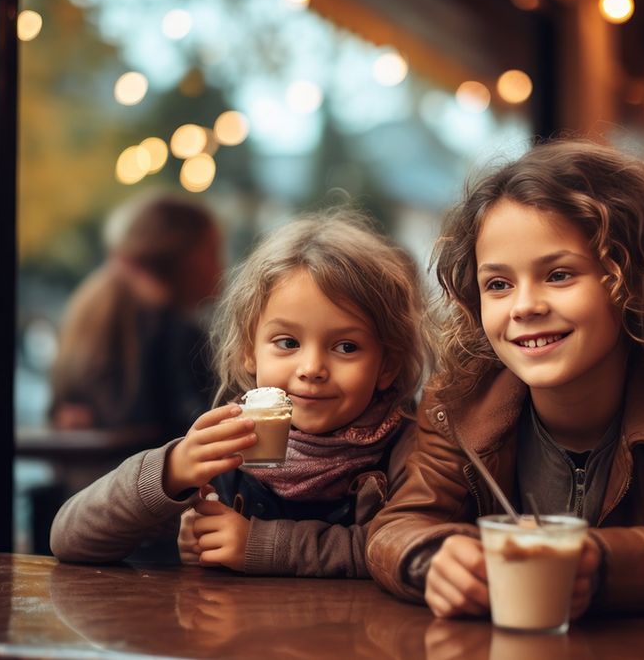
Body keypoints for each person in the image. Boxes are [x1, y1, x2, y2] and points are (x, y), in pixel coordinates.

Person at [366, 140, 644, 618]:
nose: (525, 306)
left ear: (632, 278)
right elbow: (398, 526)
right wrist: (435, 559)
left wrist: (599, 565)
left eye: (559, 275)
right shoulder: (459, 402)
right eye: (498, 284)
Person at [49, 211, 427, 577]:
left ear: (387, 365)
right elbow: (69, 538)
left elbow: (409, 549)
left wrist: (260, 545)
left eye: (346, 347)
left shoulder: (408, 452)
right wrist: (169, 472)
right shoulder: (228, 443)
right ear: (249, 350)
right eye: (287, 342)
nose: (311, 368)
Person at [48, 192, 223, 438]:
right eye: (213, 251)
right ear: (183, 257)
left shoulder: (91, 310)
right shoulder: (174, 334)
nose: (222, 267)